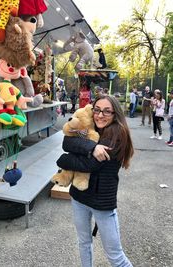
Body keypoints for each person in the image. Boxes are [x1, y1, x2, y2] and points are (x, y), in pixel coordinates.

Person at [56, 95, 134, 267]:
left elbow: (90, 165)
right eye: (97, 110)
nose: (100, 115)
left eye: (107, 111)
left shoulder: (117, 133)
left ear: (115, 114)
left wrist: (63, 160)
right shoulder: (91, 126)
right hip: (79, 196)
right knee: (84, 243)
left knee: (115, 256)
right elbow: (67, 141)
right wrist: (92, 147)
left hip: (101, 203)